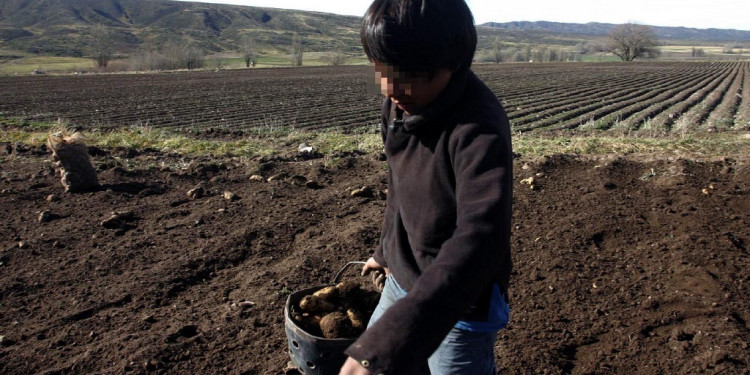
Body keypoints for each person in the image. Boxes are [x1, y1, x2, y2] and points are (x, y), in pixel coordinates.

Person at [339, 0, 513, 374]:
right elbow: (401, 185)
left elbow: (480, 239)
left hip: (460, 300)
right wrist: (385, 251)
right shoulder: (400, 103)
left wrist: (384, 346)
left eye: (405, 76)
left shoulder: (478, 130)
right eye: (380, 71)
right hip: (403, 280)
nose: (389, 89)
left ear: (452, 63)